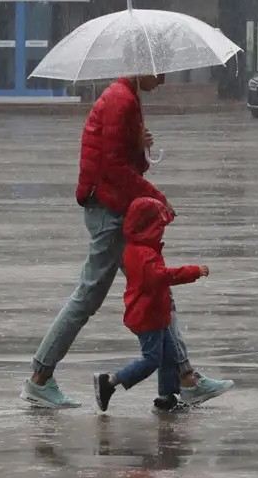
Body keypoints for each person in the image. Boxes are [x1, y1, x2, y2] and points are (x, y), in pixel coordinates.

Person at [21, 73, 171, 409]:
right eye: (160, 71)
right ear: (142, 66)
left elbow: (127, 164)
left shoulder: (127, 98)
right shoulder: (121, 100)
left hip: (115, 208)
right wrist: (155, 196)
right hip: (110, 212)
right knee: (92, 295)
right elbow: (113, 168)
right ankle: (39, 377)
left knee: (156, 289)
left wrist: (140, 148)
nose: (163, 79)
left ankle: (185, 378)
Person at [93, 197, 234, 412]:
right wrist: (193, 271)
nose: (161, 232)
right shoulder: (142, 252)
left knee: (170, 356)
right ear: (148, 227)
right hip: (146, 316)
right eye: (159, 227)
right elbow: (160, 277)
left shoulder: (143, 248)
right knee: (151, 359)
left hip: (156, 313)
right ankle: (110, 382)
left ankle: (166, 398)